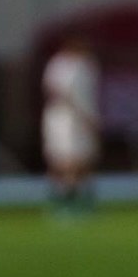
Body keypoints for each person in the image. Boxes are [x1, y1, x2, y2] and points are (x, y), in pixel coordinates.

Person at [41, 37, 101, 214]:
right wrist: (79, 113)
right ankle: (64, 202)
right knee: (65, 160)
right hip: (64, 120)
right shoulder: (59, 65)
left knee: (85, 159)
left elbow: (90, 95)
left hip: (85, 117)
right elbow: (55, 91)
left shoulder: (88, 65)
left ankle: (81, 201)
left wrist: (90, 117)